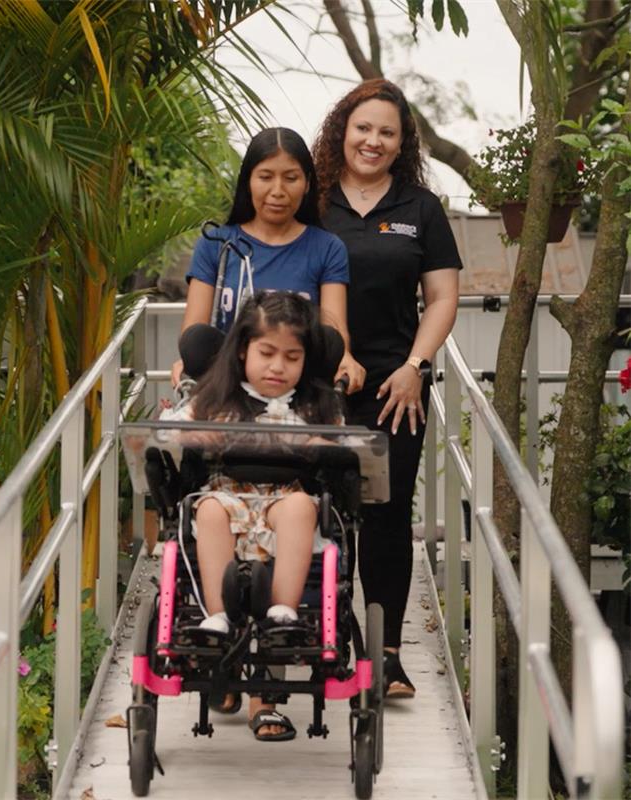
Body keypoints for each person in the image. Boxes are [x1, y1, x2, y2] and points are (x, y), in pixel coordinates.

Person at [312, 79, 462, 699]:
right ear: (341, 131)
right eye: (363, 128)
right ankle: (330, 639)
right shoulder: (313, 201)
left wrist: (416, 366)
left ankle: (388, 654)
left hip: (395, 387)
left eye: (387, 132)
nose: (373, 141)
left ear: (403, 144)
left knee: (386, 515)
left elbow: (444, 297)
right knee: (314, 510)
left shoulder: (420, 208)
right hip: (316, 380)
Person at [185, 291, 344, 741]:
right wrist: (198, 433)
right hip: (229, 493)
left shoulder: (314, 405)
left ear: (305, 360)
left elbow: (344, 446)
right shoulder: (218, 396)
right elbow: (177, 428)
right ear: (243, 350)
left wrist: (317, 443)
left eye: (292, 357)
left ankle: (283, 612)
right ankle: (217, 616)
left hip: (284, 497)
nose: (278, 367)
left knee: (299, 508)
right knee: (210, 511)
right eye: (267, 354)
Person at [170, 127, 364, 393]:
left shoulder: (328, 248)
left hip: (297, 392)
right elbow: (194, 327)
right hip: (224, 389)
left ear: (307, 183)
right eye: (265, 177)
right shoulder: (215, 244)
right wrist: (190, 359)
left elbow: (334, 328)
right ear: (248, 181)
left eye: (291, 178)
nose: (277, 190)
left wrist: (345, 359)